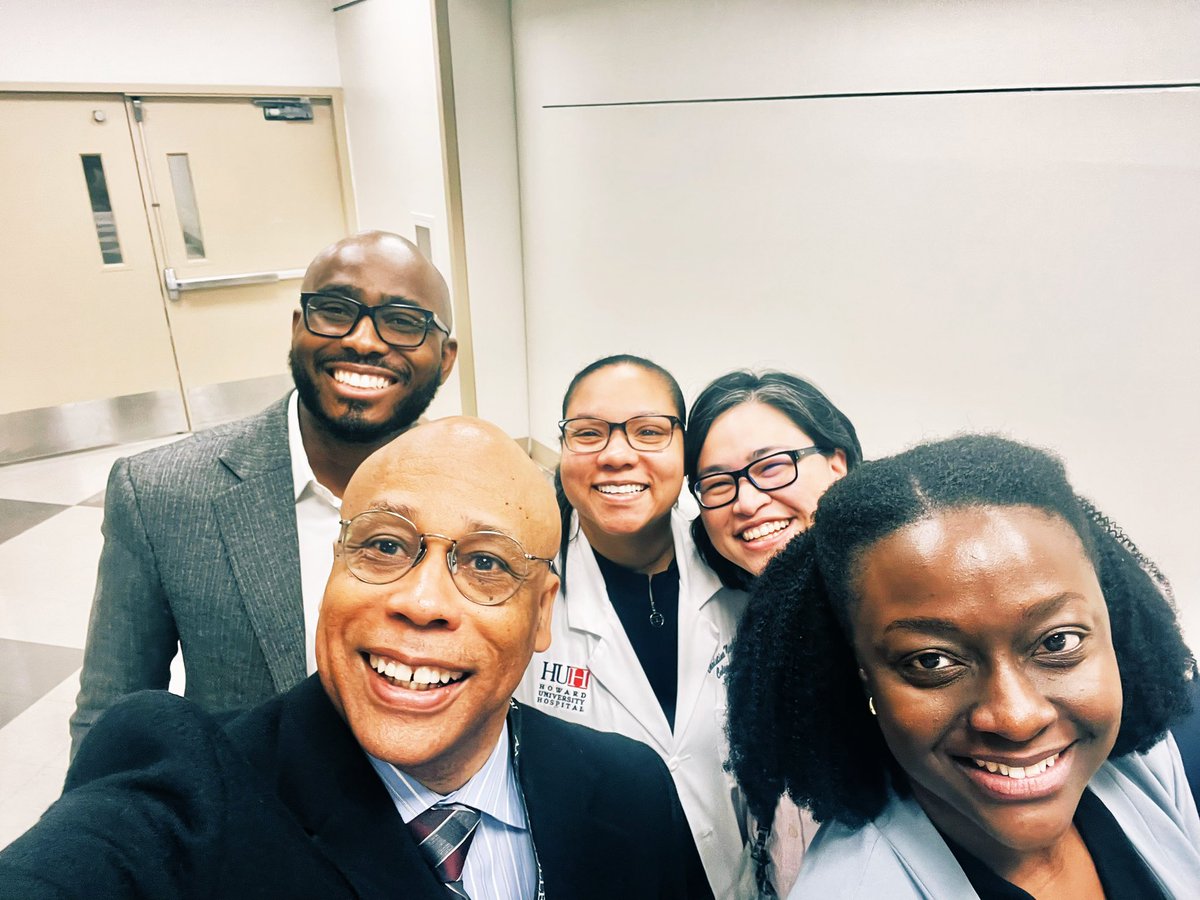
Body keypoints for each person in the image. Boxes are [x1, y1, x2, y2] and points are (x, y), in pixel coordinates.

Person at [2, 418, 711, 900]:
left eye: (488, 562)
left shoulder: (631, 791)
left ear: (542, 613)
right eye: (383, 545)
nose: (423, 600)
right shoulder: (190, 790)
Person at [726, 434, 1200, 898]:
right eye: (931, 661)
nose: (1017, 718)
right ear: (859, 676)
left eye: (1058, 641)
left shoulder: (1143, 767)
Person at [68, 231, 459, 757]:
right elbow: (110, 721)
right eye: (335, 310)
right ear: (298, 327)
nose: (365, 341)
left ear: (446, 357)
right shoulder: (163, 495)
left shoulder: (490, 500)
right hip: (242, 817)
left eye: (404, 322)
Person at [516, 355, 752, 898]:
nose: (617, 455)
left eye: (649, 432)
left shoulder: (741, 577)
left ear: (685, 450)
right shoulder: (525, 593)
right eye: (589, 433)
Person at [683, 369, 862, 895]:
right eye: (718, 483)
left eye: (773, 466)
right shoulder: (760, 630)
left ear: (837, 463)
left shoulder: (892, 608)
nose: (745, 501)